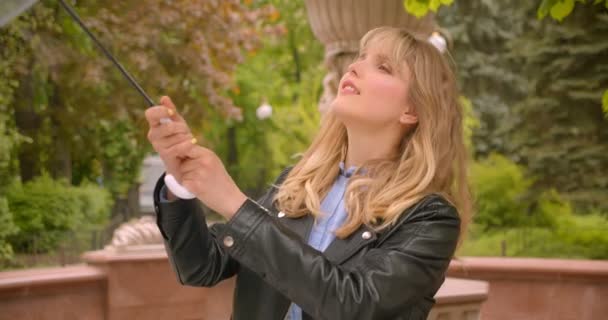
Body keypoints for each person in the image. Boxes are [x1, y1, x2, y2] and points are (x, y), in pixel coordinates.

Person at [145, 26, 472, 320]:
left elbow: (353, 304)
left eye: (383, 67)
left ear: (411, 110)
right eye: (360, 57)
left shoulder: (428, 219)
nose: (354, 67)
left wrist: (233, 203)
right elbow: (201, 267)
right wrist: (181, 182)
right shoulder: (297, 185)